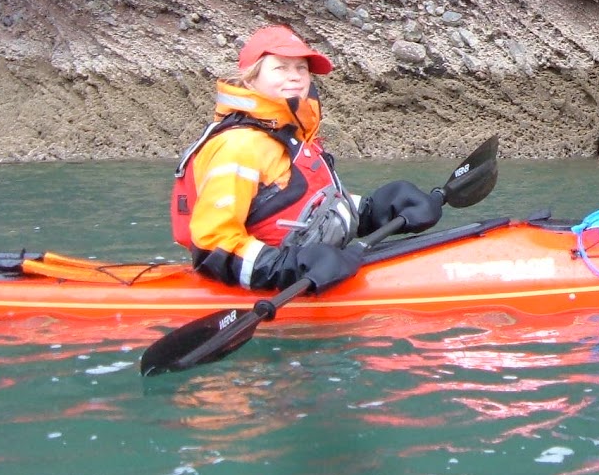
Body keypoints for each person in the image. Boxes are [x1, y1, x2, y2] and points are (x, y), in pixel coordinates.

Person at [170, 24, 442, 291]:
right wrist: (287, 267)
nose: (296, 76)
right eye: (280, 67)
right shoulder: (238, 145)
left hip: (316, 270)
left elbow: (304, 209)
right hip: (275, 284)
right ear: (251, 78)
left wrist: (375, 210)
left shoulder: (291, 136)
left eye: (301, 68)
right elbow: (213, 244)